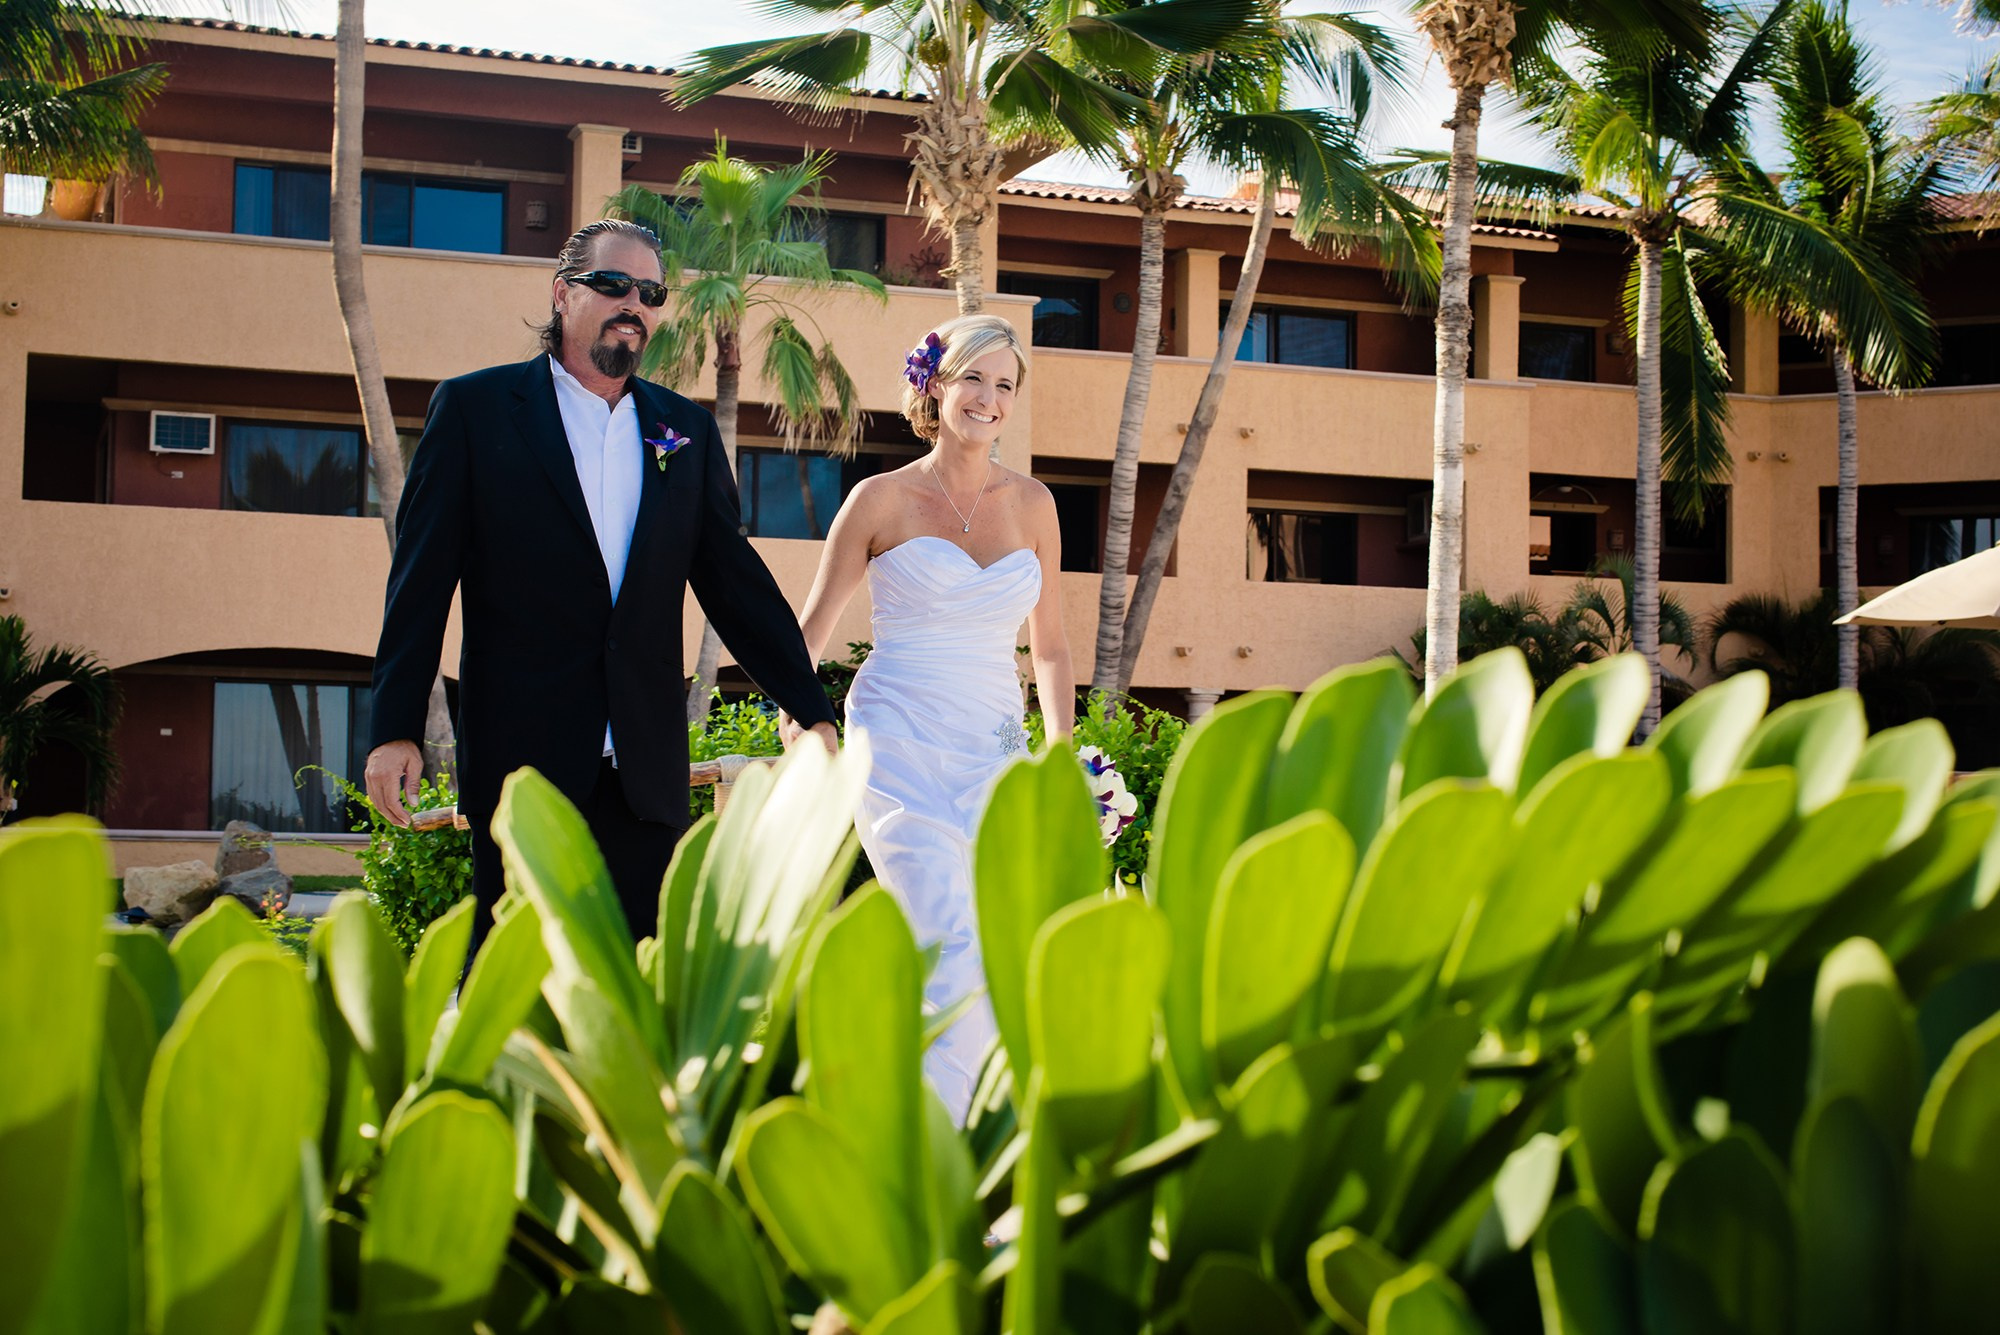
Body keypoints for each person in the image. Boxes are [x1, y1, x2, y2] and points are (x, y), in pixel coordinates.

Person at [365, 218, 838, 948]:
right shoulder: (475, 411)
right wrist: (396, 725)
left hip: (645, 769)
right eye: (614, 284)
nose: (635, 304)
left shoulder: (682, 430)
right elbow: (421, 578)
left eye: (650, 292)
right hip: (525, 765)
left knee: (645, 985)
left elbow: (733, 581)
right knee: (523, 977)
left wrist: (810, 708)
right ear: (563, 293)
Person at [788, 313, 1074, 1120]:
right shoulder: (879, 499)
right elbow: (803, 641)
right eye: (974, 378)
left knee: (997, 936)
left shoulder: (1036, 504)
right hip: (897, 742)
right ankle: (938, 1145)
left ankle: (978, 1138)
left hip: (995, 750)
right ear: (936, 384)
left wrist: (1060, 756)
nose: (988, 398)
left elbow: (1049, 649)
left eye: (1004, 385)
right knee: (943, 932)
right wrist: (805, 729)